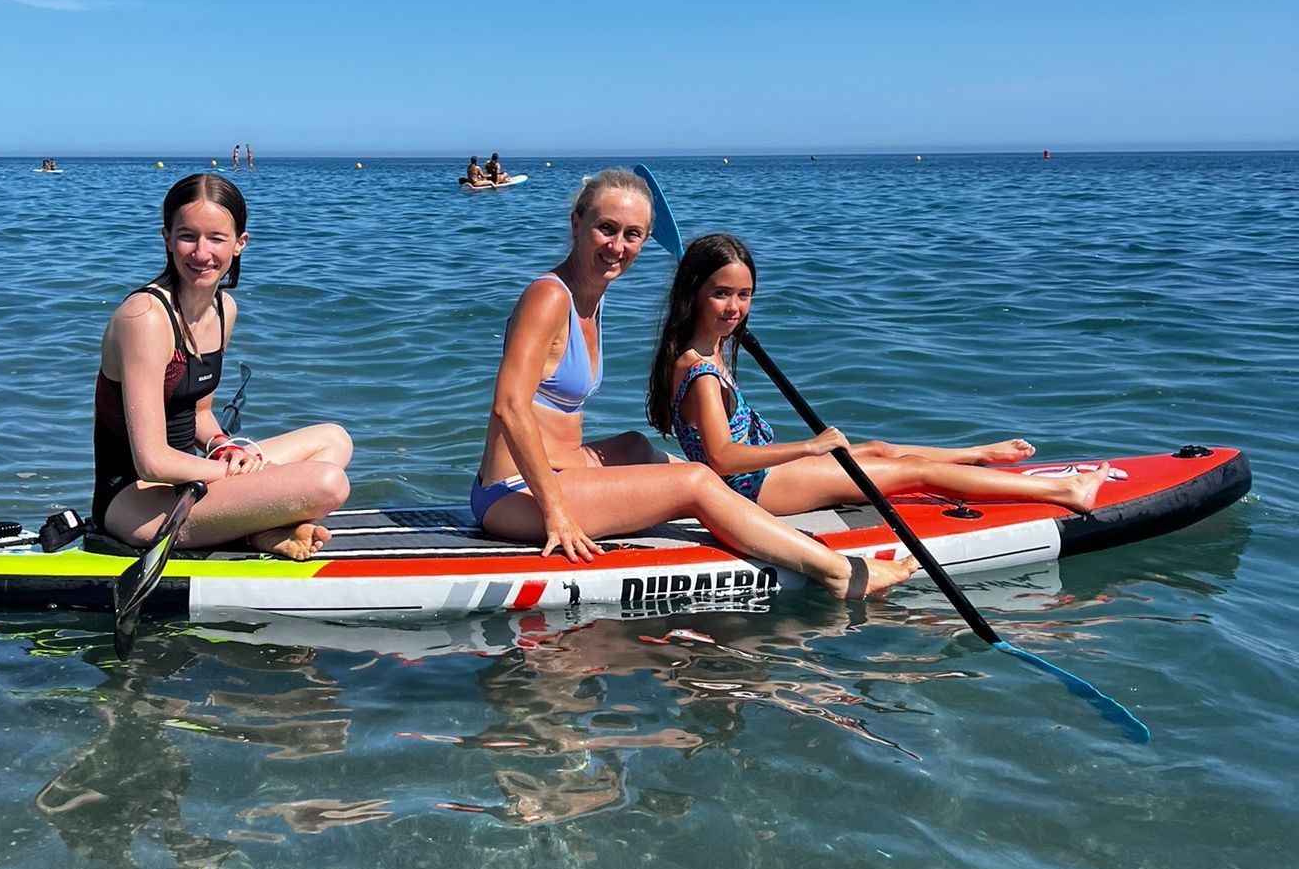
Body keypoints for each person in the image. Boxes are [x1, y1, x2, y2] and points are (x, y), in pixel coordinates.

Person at [471, 169, 915, 600]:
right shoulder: (549, 296)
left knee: (636, 447)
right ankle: (838, 572)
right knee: (694, 480)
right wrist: (557, 514)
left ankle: (737, 504)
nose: (617, 246)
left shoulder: (591, 297)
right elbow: (509, 407)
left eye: (633, 234)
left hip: (558, 468)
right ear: (576, 223)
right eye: (606, 228)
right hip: (516, 493)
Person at [646, 232, 1112, 518]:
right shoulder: (703, 373)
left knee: (880, 449)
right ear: (695, 295)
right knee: (916, 474)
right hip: (754, 489)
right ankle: (1066, 490)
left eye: (745, 294)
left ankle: (976, 455)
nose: (735, 307)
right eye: (721, 294)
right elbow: (723, 459)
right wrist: (810, 447)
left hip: (760, 474)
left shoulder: (704, 349)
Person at [92, 172, 352, 559]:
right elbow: (151, 461)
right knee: (328, 483)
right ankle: (258, 530)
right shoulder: (144, 318)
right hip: (134, 501)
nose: (201, 253)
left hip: (192, 482)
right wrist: (241, 473)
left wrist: (223, 447)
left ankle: (258, 530)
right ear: (167, 238)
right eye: (187, 236)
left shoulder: (224, 309)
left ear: (239, 244)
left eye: (216, 238)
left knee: (334, 439)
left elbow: (199, 413)